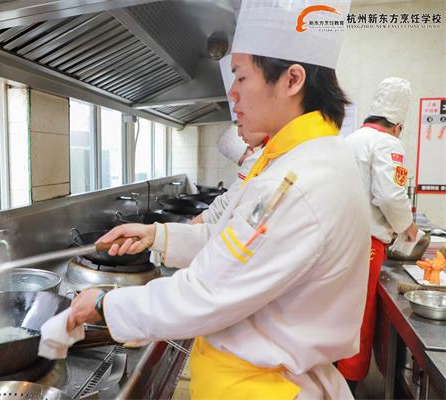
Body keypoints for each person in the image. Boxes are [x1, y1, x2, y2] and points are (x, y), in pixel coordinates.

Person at [68, 1, 370, 398]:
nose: (233, 93)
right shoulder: (303, 160)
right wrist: (158, 236)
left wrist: (106, 305)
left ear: (292, 80)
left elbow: (206, 293)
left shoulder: (300, 182)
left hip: (265, 389)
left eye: (241, 76)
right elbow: (234, 243)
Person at [338, 77, 418, 392]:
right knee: (359, 318)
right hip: (365, 245)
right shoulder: (387, 143)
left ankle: (332, 383)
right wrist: (408, 226)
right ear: (398, 125)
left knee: (340, 312)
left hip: (341, 240)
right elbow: (390, 196)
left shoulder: (351, 140)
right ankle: (348, 388)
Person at [191, 55, 268, 225]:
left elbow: (226, 207)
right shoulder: (268, 153)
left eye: (241, 79)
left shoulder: (267, 157)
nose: (239, 133)